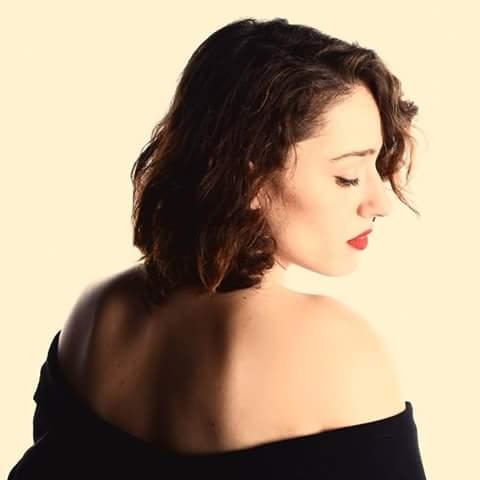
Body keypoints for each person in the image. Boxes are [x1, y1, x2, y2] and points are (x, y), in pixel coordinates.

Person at [8, 17, 427, 479]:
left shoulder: (97, 314)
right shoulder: (337, 348)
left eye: (376, 166)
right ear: (252, 175)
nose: (380, 202)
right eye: (347, 176)